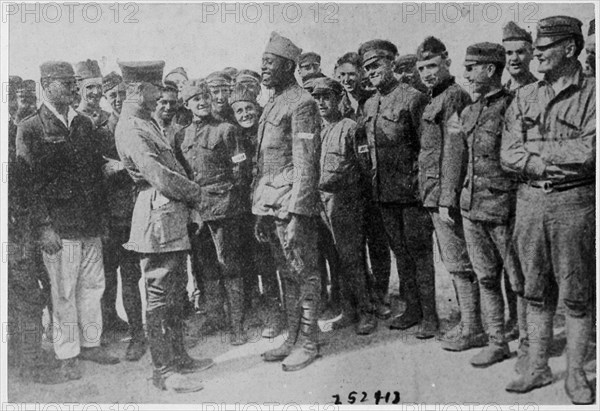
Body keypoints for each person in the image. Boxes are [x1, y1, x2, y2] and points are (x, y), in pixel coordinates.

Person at [502, 16, 595, 405]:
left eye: (545, 46)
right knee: (534, 291)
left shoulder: (593, 94)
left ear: (570, 49)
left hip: (574, 203)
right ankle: (537, 368)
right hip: (529, 203)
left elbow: (591, 152)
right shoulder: (524, 96)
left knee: (576, 294)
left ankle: (575, 375)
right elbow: (508, 154)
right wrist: (544, 161)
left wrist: (536, 151)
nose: (536, 52)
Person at [17, 61, 119, 381]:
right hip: (59, 227)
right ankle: (68, 354)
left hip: (89, 223)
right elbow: (27, 183)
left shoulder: (83, 124)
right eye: (65, 82)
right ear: (47, 85)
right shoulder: (31, 127)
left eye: (73, 82)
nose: (73, 88)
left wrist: (101, 219)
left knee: (92, 286)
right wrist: (44, 226)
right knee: (63, 292)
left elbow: (94, 175)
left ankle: (91, 343)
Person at [115, 60, 213, 393]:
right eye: (155, 89)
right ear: (138, 89)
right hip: (155, 217)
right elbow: (157, 175)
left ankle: (179, 357)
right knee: (158, 296)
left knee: (174, 291)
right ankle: (164, 371)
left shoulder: (146, 121)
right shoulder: (131, 126)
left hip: (169, 214)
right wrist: (197, 194)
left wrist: (187, 204)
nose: (160, 95)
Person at [355, 39, 435, 335]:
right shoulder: (369, 103)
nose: (371, 71)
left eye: (376, 65)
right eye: (367, 68)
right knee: (401, 255)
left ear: (392, 63)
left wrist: (423, 191)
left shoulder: (413, 98)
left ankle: (430, 317)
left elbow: (426, 150)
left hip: (412, 195)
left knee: (420, 255)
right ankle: (413, 310)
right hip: (384, 194)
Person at [253, 32, 322, 371]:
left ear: (287, 66)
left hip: (291, 206)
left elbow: (306, 163)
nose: (262, 69)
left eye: (269, 63)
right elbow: (263, 162)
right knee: (286, 274)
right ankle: (292, 336)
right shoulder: (274, 102)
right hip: (271, 204)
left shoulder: (302, 103)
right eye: (262, 62)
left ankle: (309, 342)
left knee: (305, 273)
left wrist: (298, 212)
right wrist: (261, 208)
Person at [457, 42, 520, 366]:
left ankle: (528, 343)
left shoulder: (513, 106)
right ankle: (497, 342)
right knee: (485, 278)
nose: (465, 74)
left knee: (518, 281)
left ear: (491, 69)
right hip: (472, 208)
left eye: (471, 67)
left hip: (503, 209)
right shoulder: (469, 110)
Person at [174, 79, 249, 345]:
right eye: (196, 99)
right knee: (205, 267)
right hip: (196, 212)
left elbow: (241, 171)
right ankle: (215, 316)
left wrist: (231, 203)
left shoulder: (227, 130)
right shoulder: (181, 135)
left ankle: (236, 325)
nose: (203, 102)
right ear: (187, 104)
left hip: (225, 209)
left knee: (229, 266)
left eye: (206, 97)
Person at [415, 36, 475, 343]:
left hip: (444, 197)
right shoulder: (434, 97)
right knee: (453, 262)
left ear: (447, 61)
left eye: (433, 65)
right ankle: (468, 322)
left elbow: (454, 151)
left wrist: (446, 199)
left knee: (459, 264)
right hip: (433, 194)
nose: (427, 72)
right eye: (422, 67)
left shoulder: (453, 96)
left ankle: (471, 327)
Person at [311, 77, 377, 335]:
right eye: (317, 99)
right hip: (324, 205)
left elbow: (364, 168)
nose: (321, 103)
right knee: (338, 261)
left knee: (353, 260)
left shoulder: (351, 128)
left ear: (340, 99)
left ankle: (367, 312)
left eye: (326, 97)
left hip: (347, 203)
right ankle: (348, 311)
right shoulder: (320, 130)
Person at [99, 69, 146, 361]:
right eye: (112, 95)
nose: (117, 100)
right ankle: (108, 325)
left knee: (131, 277)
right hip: (108, 217)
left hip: (133, 215)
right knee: (106, 277)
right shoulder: (98, 130)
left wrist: (121, 167)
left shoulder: (137, 125)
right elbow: (92, 173)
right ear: (106, 98)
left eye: (121, 94)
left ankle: (138, 336)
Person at [229, 83, 282, 338]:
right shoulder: (235, 137)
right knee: (253, 262)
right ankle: (259, 310)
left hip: (269, 206)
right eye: (239, 111)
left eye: (248, 108)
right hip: (243, 210)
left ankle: (277, 313)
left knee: (272, 262)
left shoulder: (267, 133)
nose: (245, 115)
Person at [502, 21, 538, 92]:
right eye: (509, 53)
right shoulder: (501, 92)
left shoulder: (540, 90)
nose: (514, 58)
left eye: (520, 52)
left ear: (531, 54)